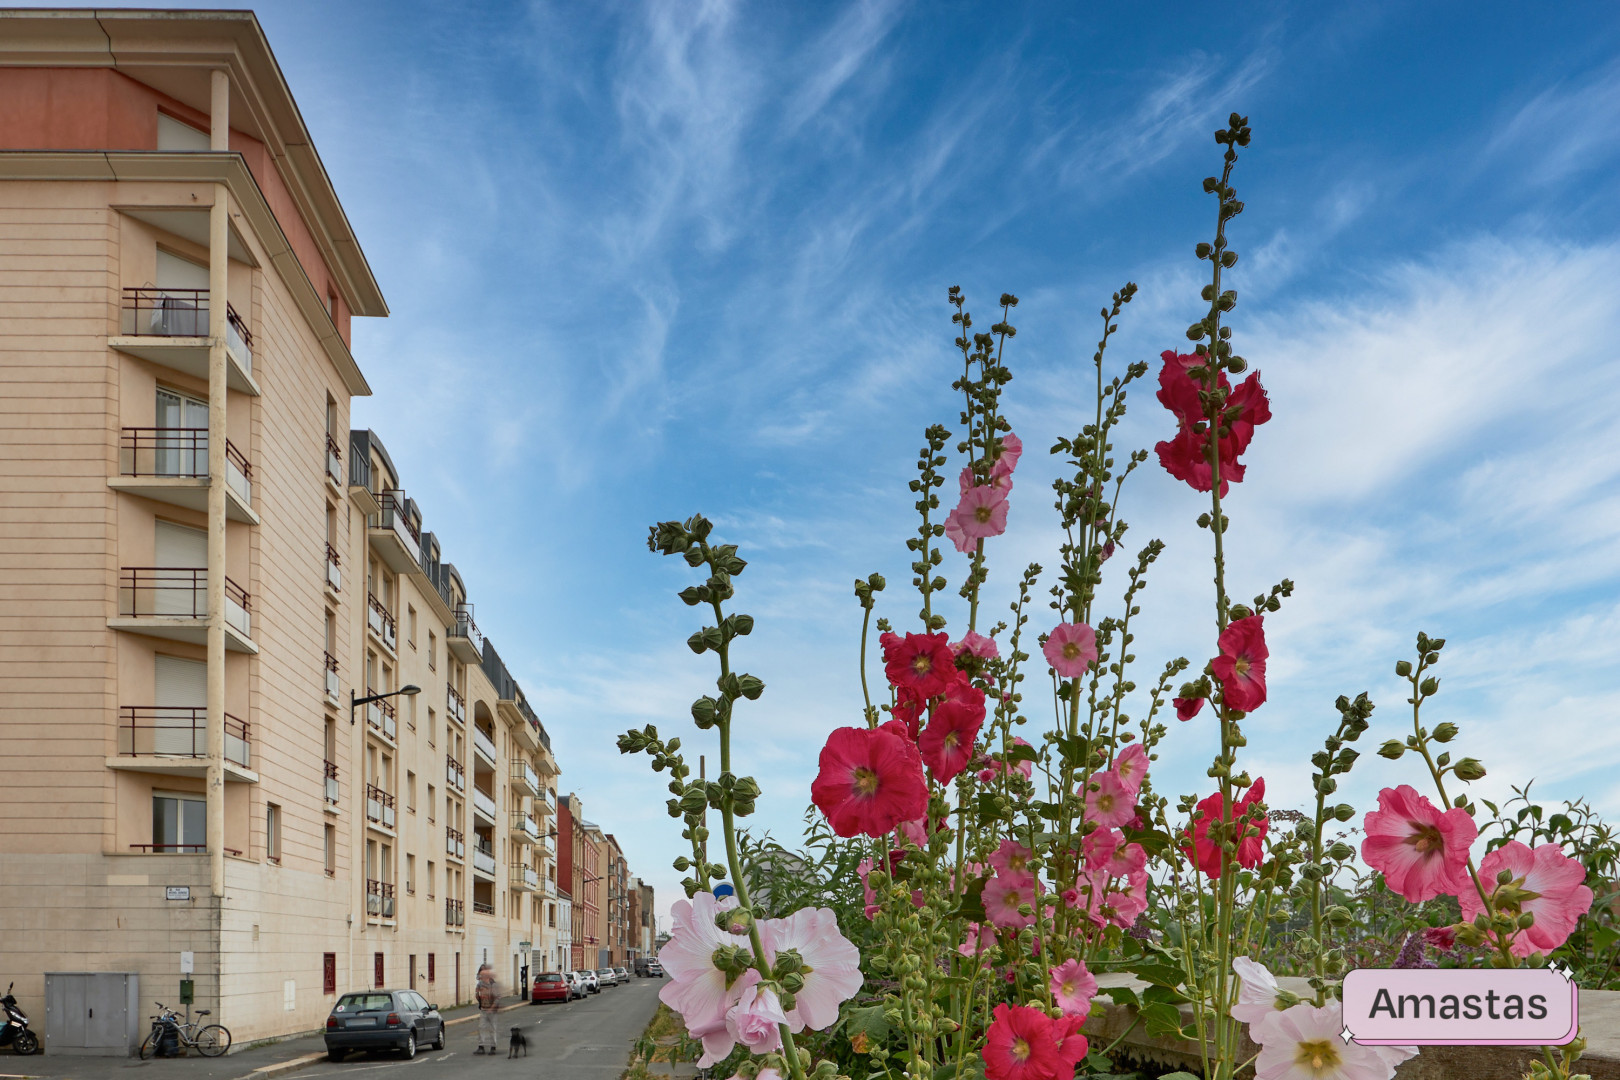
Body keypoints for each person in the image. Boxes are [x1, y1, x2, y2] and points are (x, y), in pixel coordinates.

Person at [474, 964, 500, 1056]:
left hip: (492, 1011)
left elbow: (497, 998)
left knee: (492, 1029)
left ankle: (493, 1047)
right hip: (483, 1009)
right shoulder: (480, 984)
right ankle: (481, 1046)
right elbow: (477, 995)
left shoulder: (493, 984)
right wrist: (479, 998)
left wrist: (492, 1008)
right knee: (481, 1027)